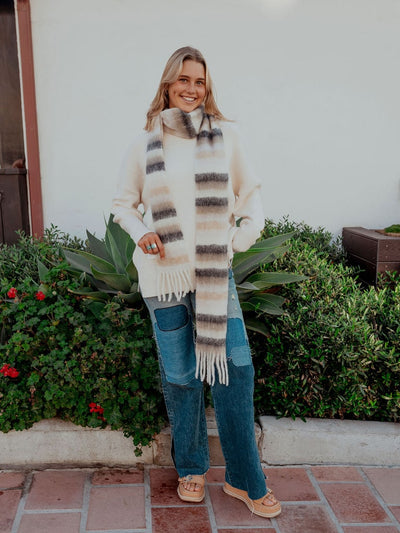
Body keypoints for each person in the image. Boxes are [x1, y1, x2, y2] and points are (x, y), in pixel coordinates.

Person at [111, 46, 281, 519]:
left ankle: (244, 479)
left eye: (199, 81)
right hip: (163, 278)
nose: (191, 88)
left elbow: (250, 194)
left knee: (236, 372)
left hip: (212, 275)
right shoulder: (144, 143)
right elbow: (123, 204)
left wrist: (241, 236)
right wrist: (141, 232)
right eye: (183, 80)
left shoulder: (226, 137)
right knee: (181, 377)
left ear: (207, 88)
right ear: (168, 84)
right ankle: (191, 468)